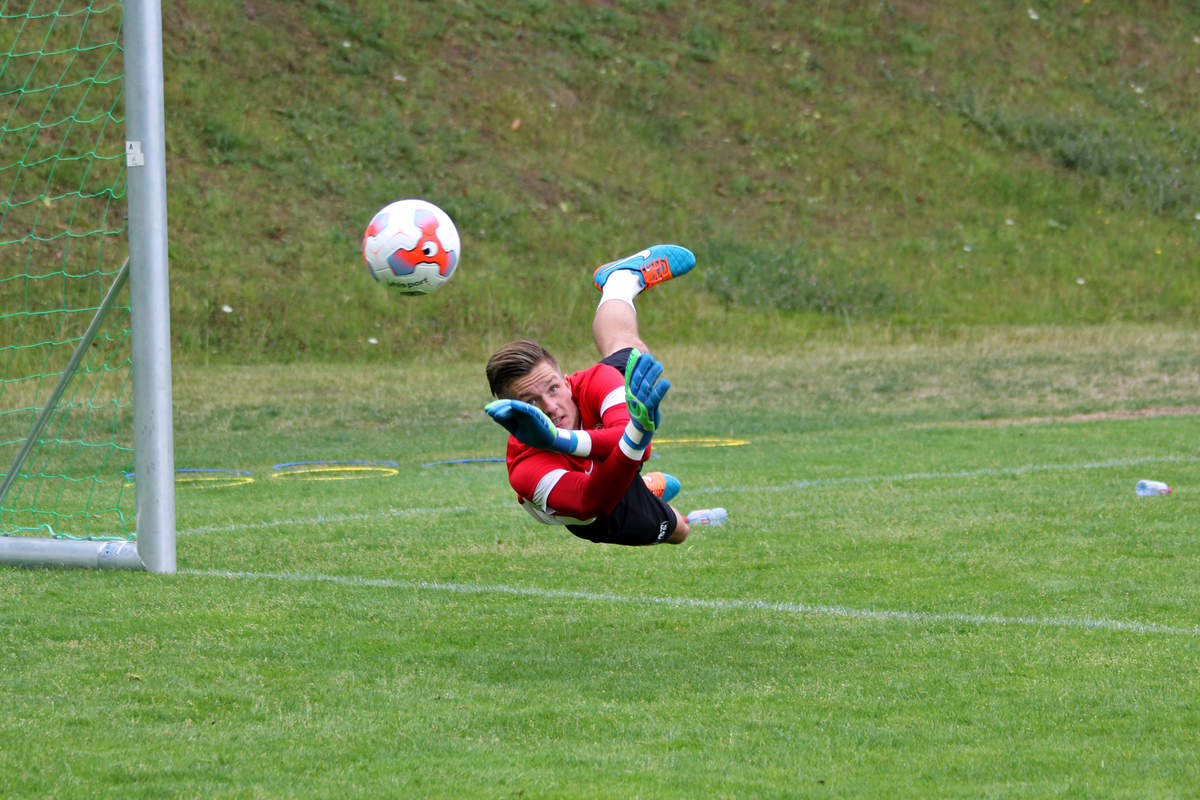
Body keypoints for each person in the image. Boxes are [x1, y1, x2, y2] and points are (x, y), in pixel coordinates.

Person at [484, 244, 724, 546]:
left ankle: (621, 281)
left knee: (632, 350)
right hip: (598, 512)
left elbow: (636, 447)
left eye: (553, 388)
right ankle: (644, 489)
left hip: (612, 462)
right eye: (531, 402)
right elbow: (591, 501)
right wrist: (557, 442)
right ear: (513, 410)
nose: (551, 407)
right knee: (678, 530)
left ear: (566, 380)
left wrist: (558, 439)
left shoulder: (594, 382)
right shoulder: (525, 466)